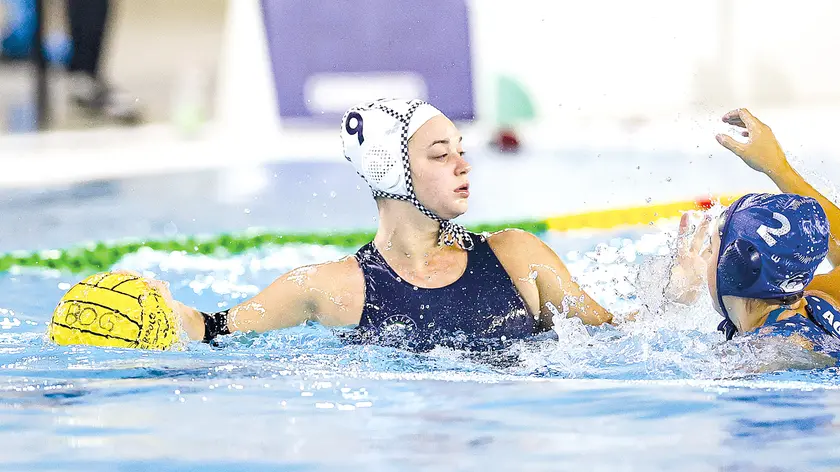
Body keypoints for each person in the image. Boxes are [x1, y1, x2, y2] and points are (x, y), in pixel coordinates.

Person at [135, 99, 616, 351]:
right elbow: (214, 331)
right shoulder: (330, 287)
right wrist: (162, 310)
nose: (463, 165)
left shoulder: (517, 257)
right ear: (393, 172)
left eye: (461, 150)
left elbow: (616, 338)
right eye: (440, 154)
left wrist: (678, 297)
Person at [666, 108, 840, 358]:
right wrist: (778, 168)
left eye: (712, 248)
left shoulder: (770, 350)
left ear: (735, 268)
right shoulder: (815, 298)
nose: (705, 257)